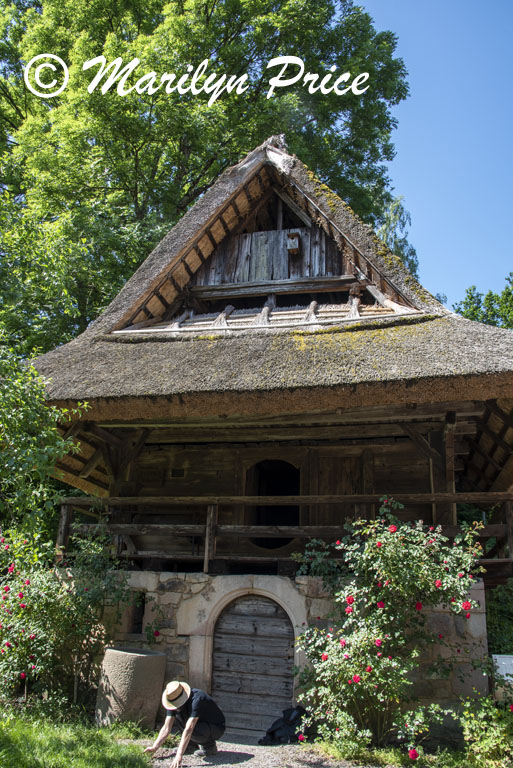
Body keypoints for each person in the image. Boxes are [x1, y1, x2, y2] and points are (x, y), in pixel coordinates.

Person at [144, 681, 226, 766]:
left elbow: (189, 729)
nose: (175, 706)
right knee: (178, 716)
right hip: (200, 724)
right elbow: (166, 727)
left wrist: (179, 755)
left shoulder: (197, 699)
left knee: (193, 728)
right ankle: (190, 746)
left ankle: (209, 746)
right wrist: (154, 747)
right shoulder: (172, 700)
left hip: (216, 727)